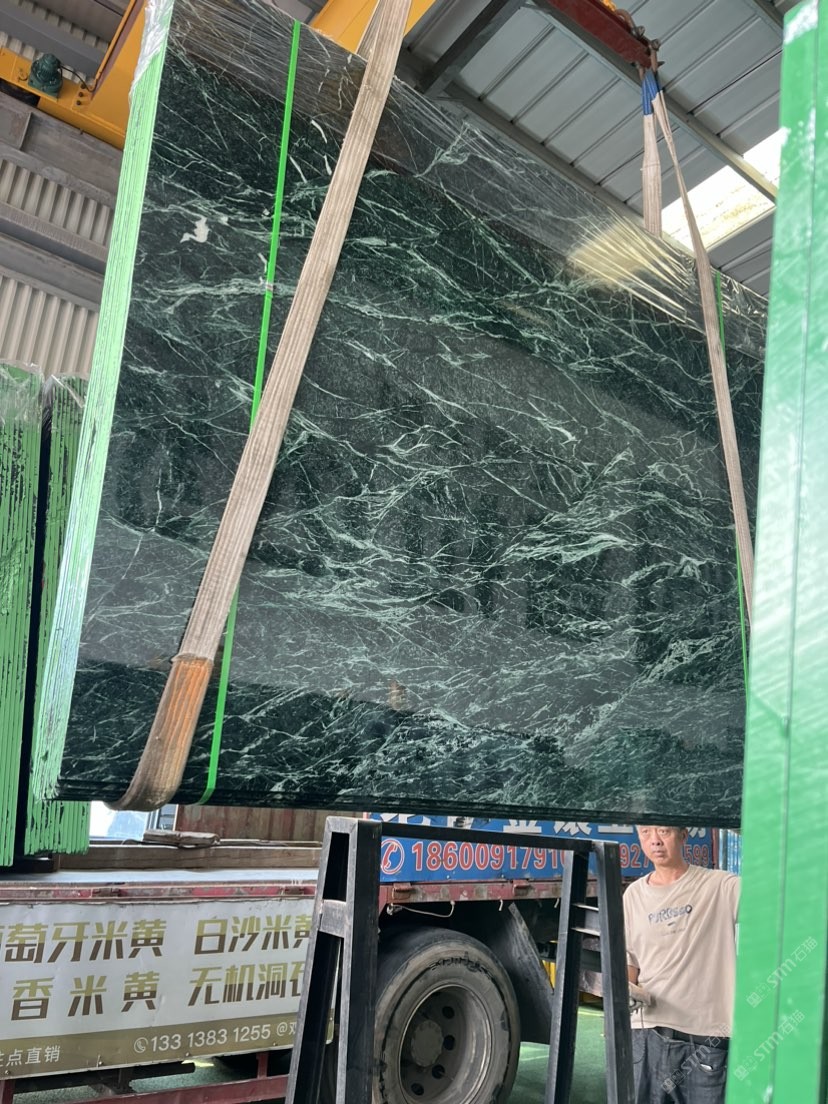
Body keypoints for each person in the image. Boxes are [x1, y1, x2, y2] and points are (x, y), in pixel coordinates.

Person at [623, 825, 740, 1104]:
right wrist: (627, 990)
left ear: (683, 834)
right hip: (648, 1035)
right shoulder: (633, 895)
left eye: (663, 831)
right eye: (646, 832)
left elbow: (774, 892)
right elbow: (629, 961)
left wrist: (745, 825)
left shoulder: (720, 886)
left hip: (706, 1040)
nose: (654, 840)